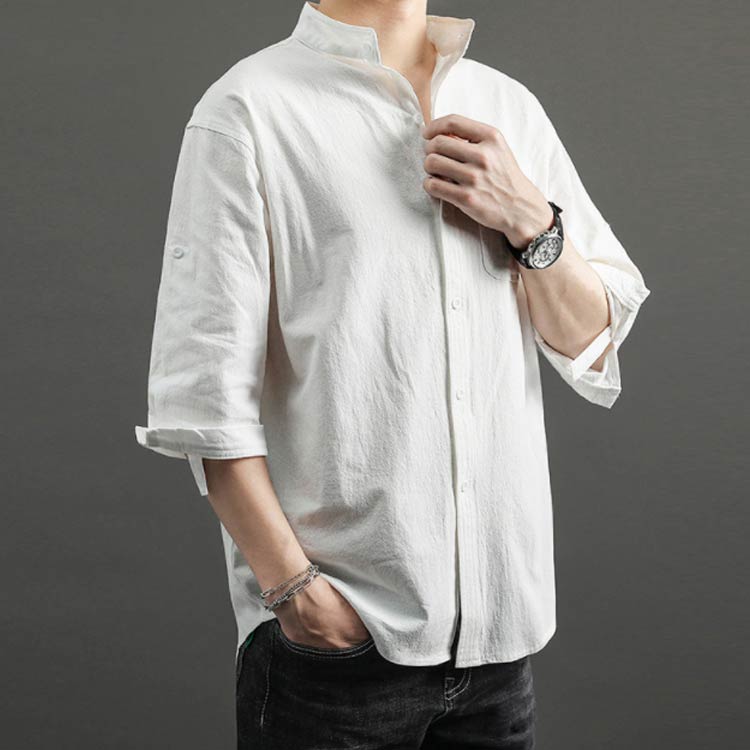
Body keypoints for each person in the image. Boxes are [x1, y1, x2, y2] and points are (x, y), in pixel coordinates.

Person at [134, 1, 650, 747]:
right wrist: (298, 596)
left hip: (500, 650)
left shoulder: (506, 105)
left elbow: (591, 338)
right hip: (336, 656)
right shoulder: (248, 110)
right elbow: (201, 400)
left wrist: (532, 221)